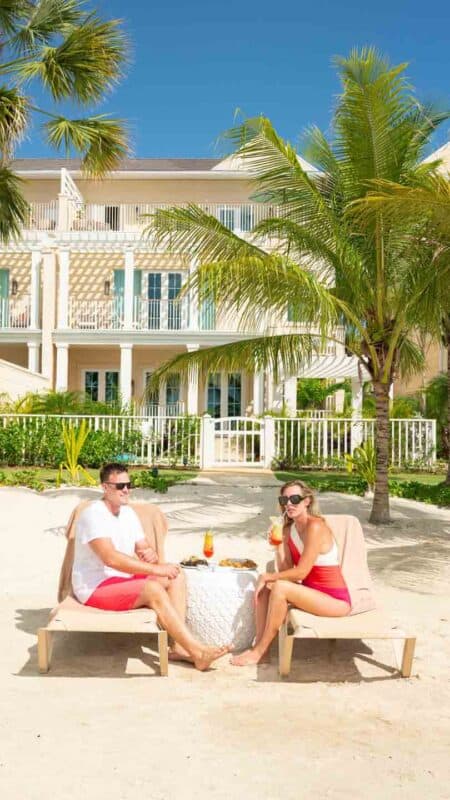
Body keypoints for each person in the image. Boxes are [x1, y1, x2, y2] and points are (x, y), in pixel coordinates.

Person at [72, 462, 229, 671]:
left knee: (176, 574)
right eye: (120, 486)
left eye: (129, 484)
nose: (126, 490)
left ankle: (179, 648)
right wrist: (156, 570)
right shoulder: (94, 514)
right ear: (105, 487)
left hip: (121, 580)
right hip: (95, 586)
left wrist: (150, 554)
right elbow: (111, 558)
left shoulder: (127, 513)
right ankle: (198, 652)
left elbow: (142, 546)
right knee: (152, 588)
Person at [231, 479, 351, 666]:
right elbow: (287, 571)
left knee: (277, 586)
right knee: (266, 590)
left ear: (307, 501)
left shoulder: (316, 526)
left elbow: (301, 573)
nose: (289, 504)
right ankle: (261, 649)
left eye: (295, 499)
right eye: (284, 500)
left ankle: (259, 651)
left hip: (335, 601)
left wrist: (268, 576)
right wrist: (278, 546)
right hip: (310, 595)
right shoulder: (288, 529)